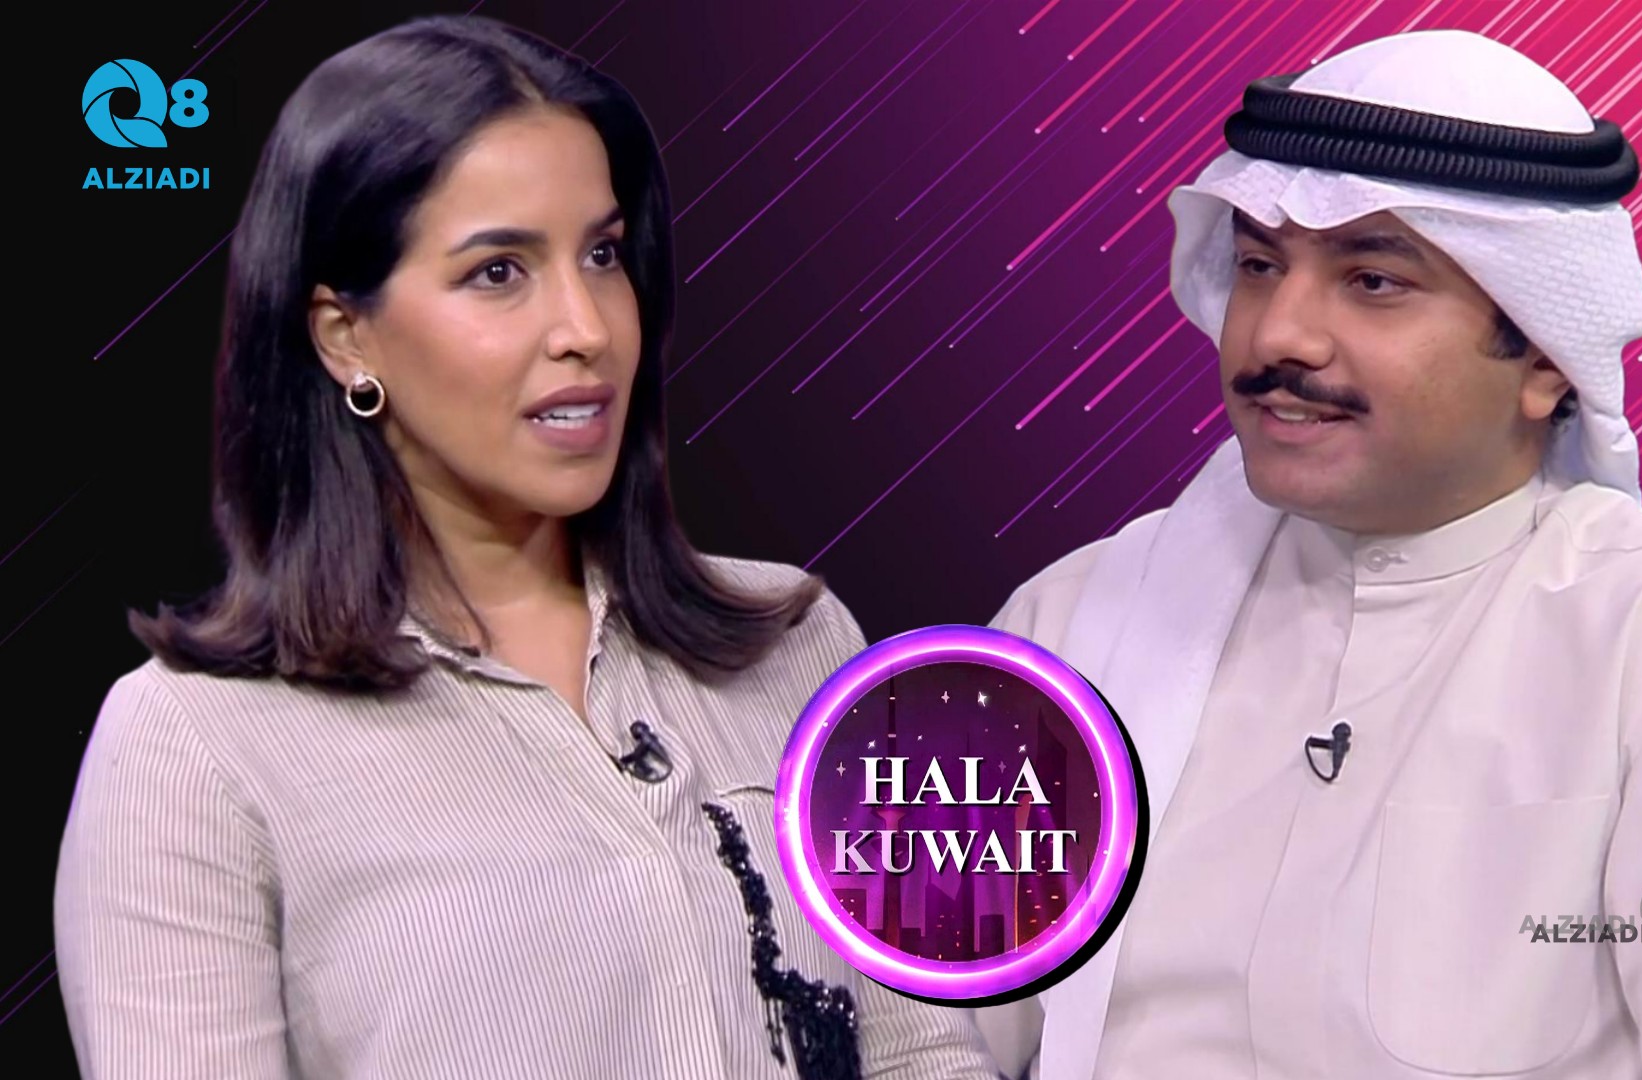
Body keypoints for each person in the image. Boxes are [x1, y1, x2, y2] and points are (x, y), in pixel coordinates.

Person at [53, 16, 1001, 1080]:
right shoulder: (197, 746)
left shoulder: (800, 646)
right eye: (499, 271)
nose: (586, 327)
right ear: (345, 337)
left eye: (602, 255)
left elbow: (925, 1054)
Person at [972, 28, 1642, 1080]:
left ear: (1544, 358)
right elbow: (920, 1036)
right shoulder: (1076, 622)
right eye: (1260, 266)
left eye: (1372, 281)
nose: (1277, 336)